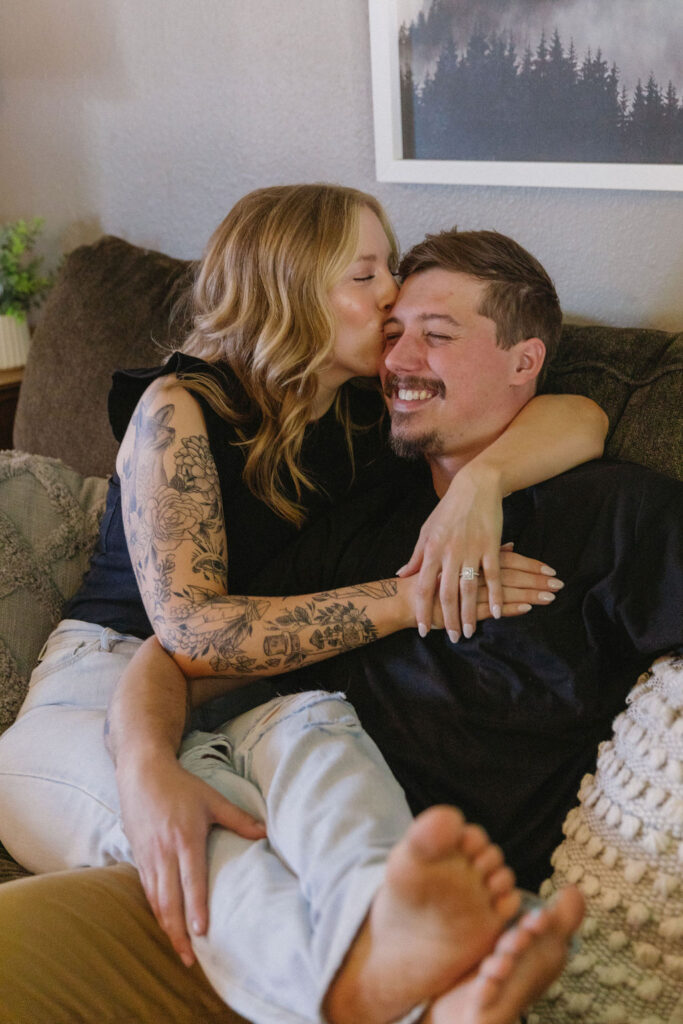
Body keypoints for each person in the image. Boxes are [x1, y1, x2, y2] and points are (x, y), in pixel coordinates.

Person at [0, 189, 604, 1023]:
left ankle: (425, 948)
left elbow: (580, 415)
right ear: (290, 290)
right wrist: (409, 598)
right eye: (366, 275)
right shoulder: (181, 407)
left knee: (323, 745)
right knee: (220, 833)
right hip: (97, 691)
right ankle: (393, 1003)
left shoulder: (368, 415)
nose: (393, 294)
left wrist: (485, 485)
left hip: (256, 697)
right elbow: (190, 632)